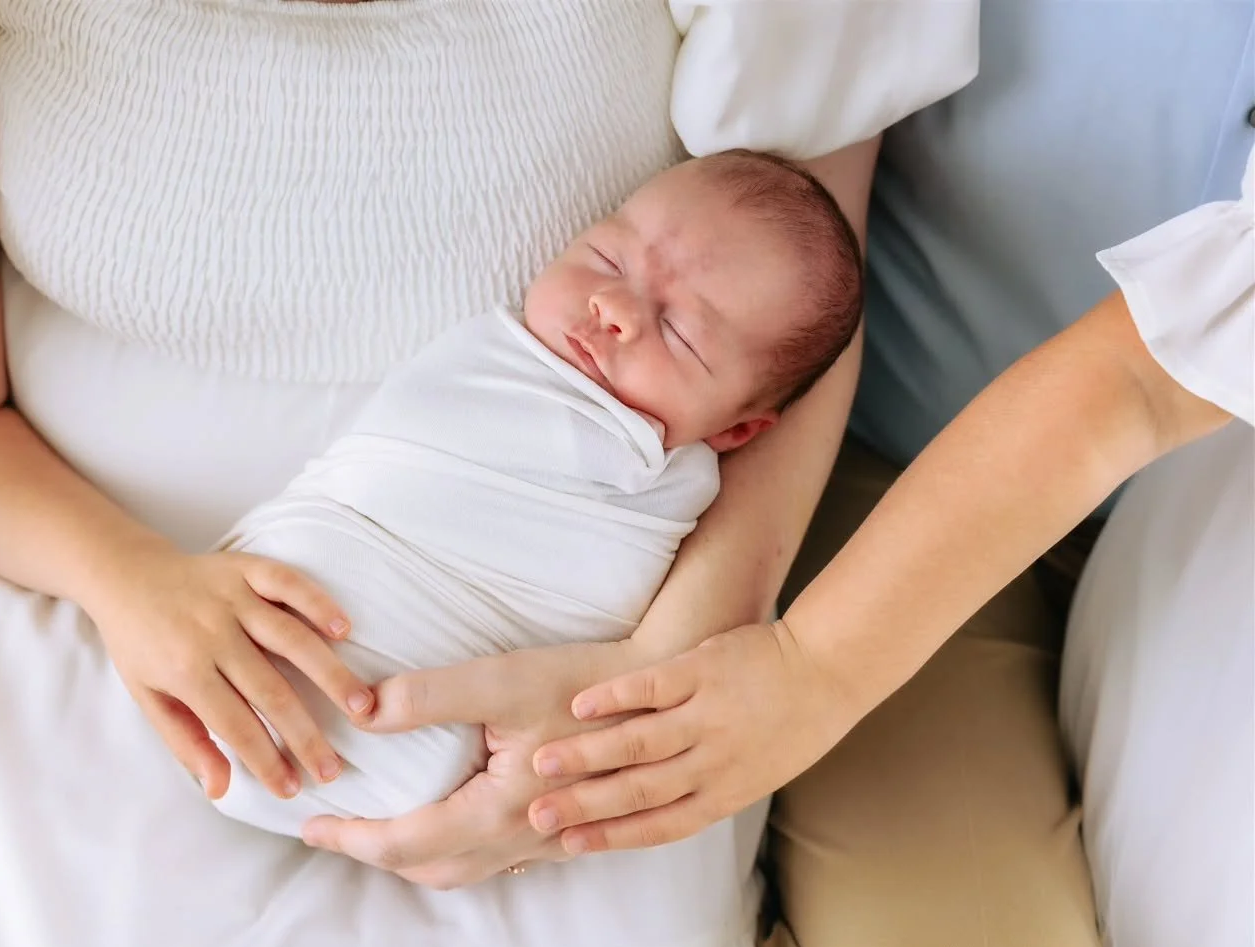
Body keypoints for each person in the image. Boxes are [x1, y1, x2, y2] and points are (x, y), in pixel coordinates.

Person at [0, 1, 976, 947]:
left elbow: (796, 341)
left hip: (571, 660)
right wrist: (134, 589)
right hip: (72, 590)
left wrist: (629, 712)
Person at [453, 4, 1251, 947]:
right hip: (887, 478)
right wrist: (689, 666)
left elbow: (1143, 385)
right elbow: (802, 191)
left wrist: (808, 672)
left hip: (1204, 493)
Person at [212, 151, 864, 834]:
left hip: (426, 734)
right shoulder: (491, 355)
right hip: (265, 610)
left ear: (738, 431)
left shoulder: (666, 483)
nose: (611, 306)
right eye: (607, 258)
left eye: (678, 331)